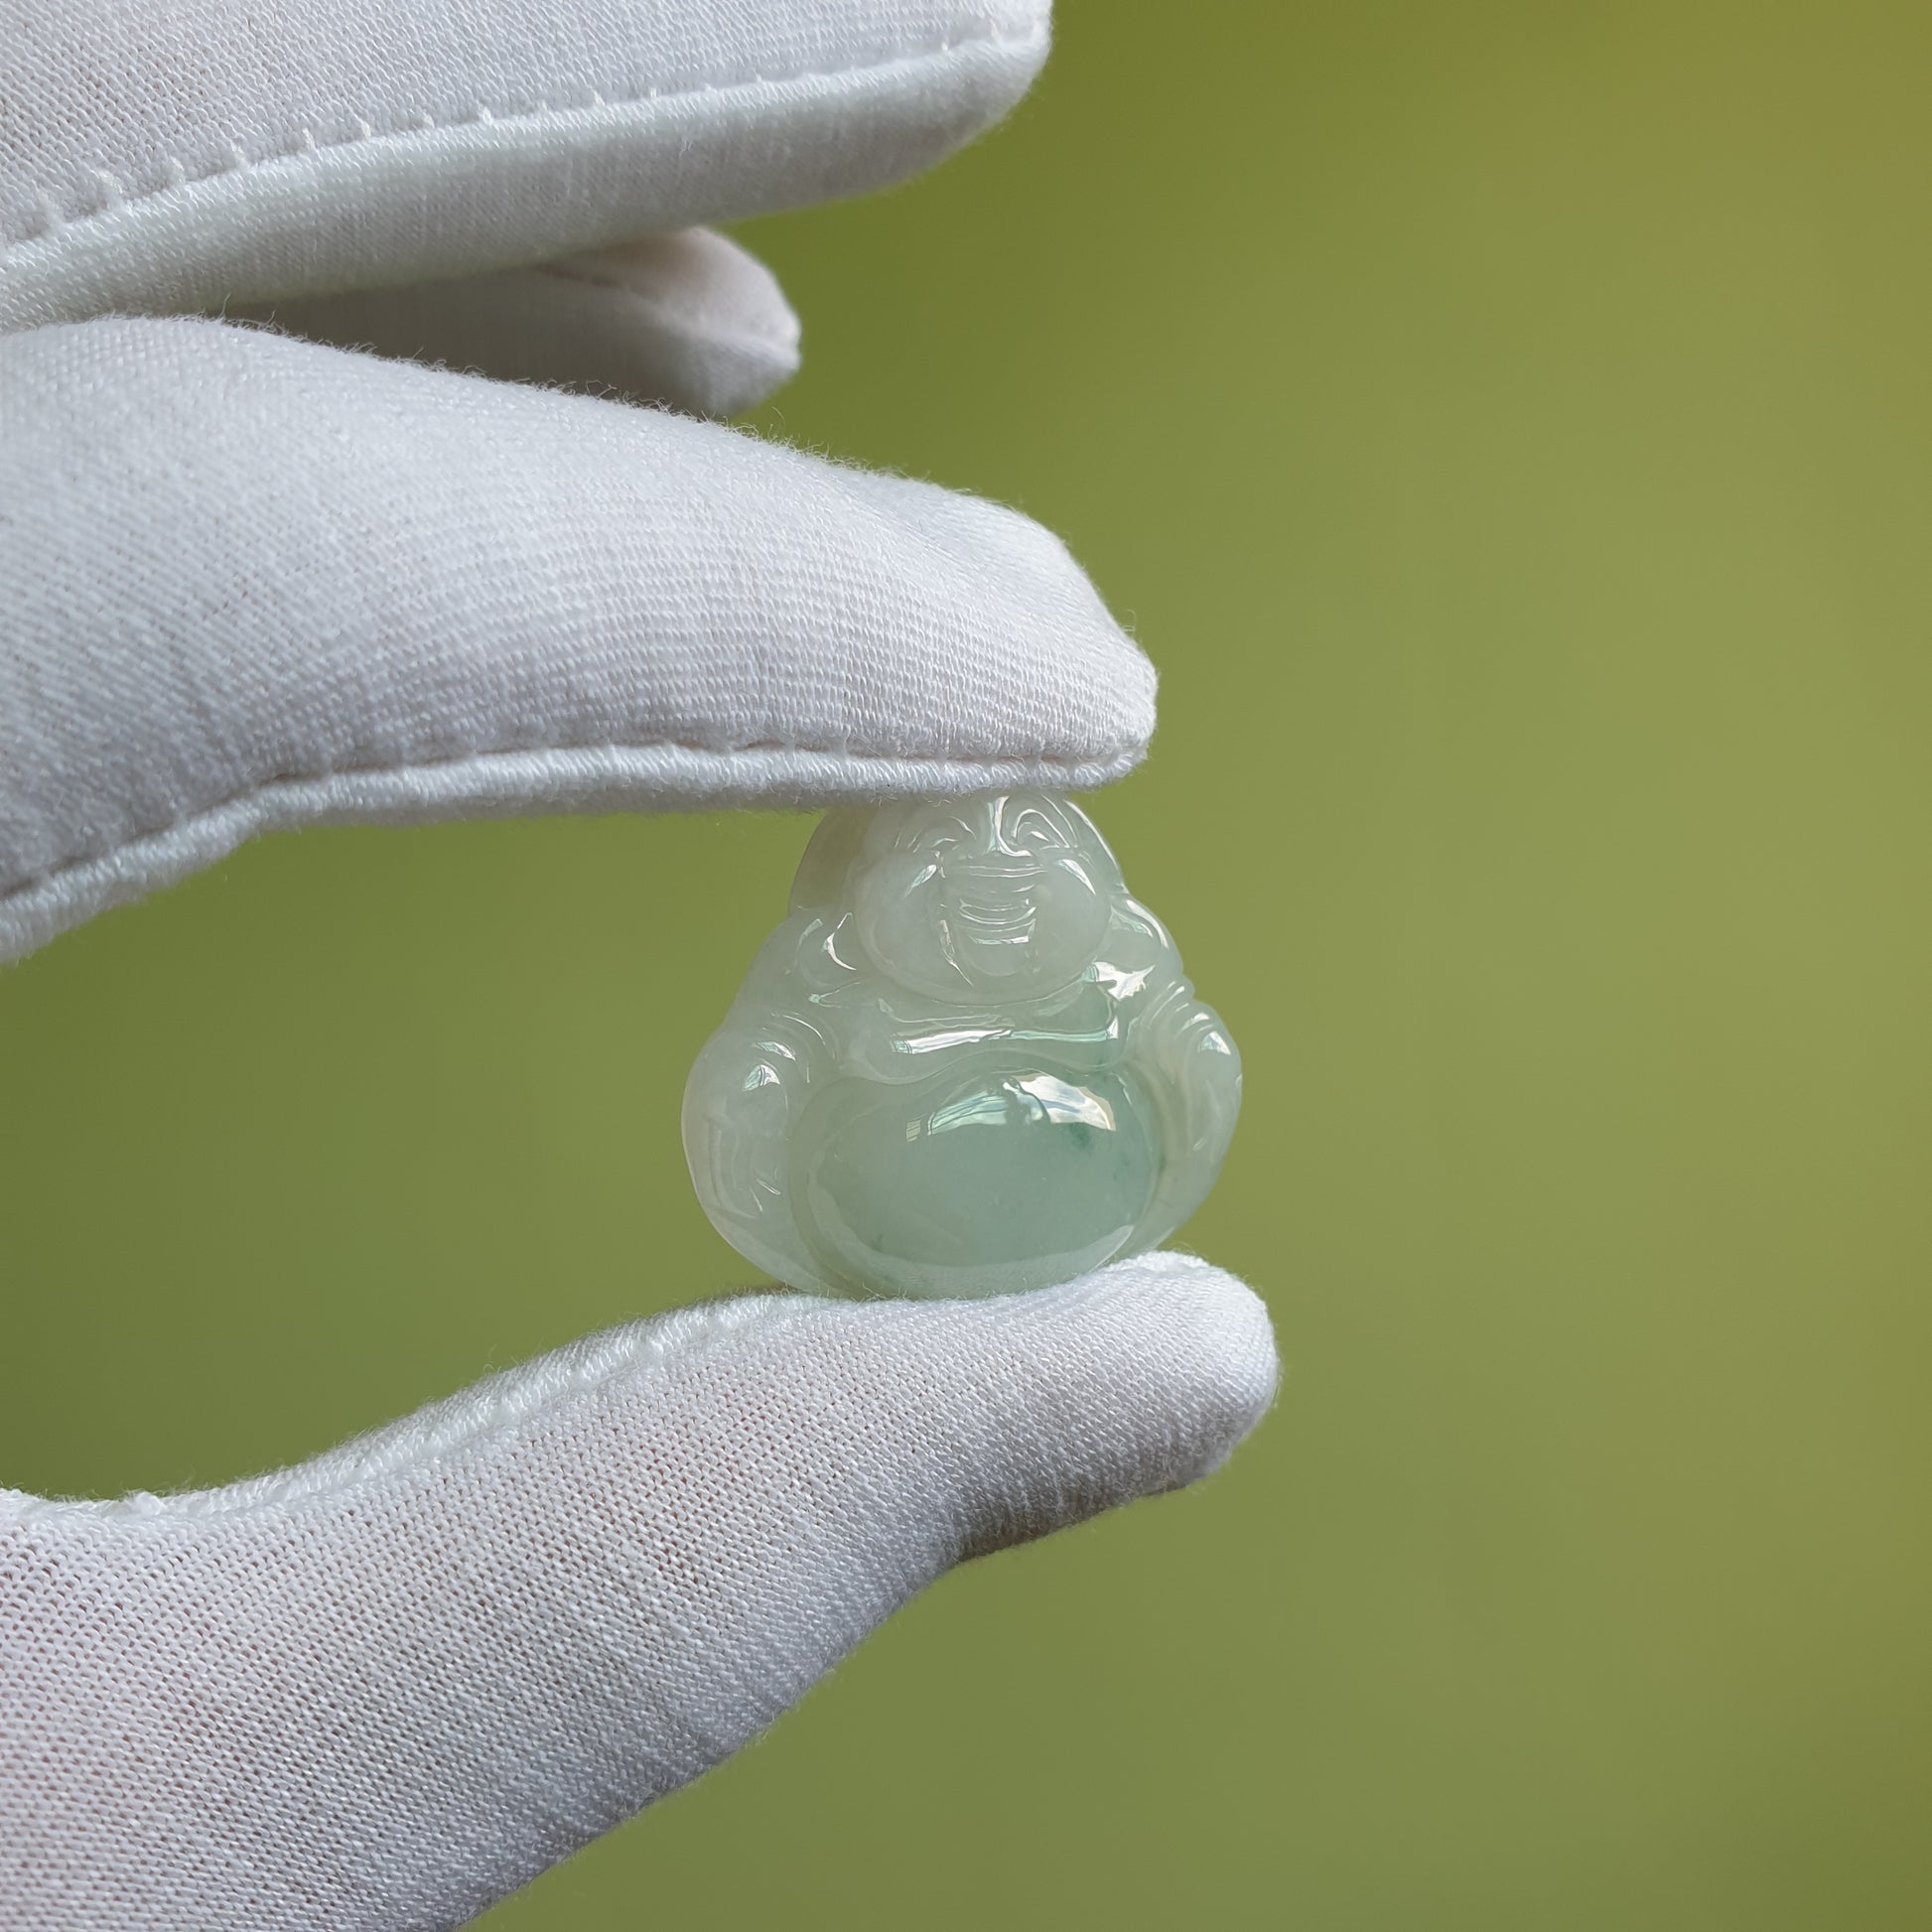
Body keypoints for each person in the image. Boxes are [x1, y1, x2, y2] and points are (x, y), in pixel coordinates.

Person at [0, 3, 1278, 1924]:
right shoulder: (837, 989)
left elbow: (1183, 1056)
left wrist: (1147, 1050)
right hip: (896, 1185)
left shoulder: (1106, 981)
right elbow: (755, 1102)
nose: (1002, 904)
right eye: (971, 888)